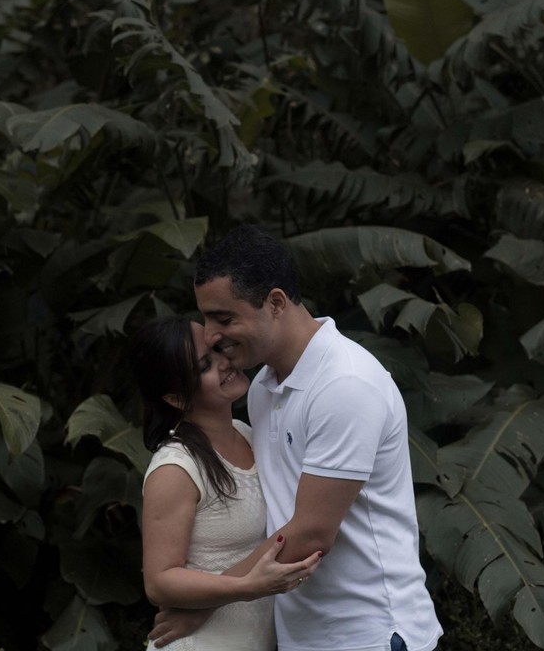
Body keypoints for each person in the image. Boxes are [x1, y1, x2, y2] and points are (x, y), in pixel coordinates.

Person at [152, 225, 443, 651]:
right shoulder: (262, 390)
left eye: (224, 318)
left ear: (275, 303)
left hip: (371, 634)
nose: (211, 335)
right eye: (207, 317)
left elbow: (310, 533)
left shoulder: (345, 383)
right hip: (306, 637)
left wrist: (208, 601)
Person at [132, 315, 323, 651]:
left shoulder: (249, 434)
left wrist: (216, 602)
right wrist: (246, 588)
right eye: (206, 364)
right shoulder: (175, 467)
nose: (225, 362)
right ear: (176, 398)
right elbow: (159, 582)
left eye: (218, 349)